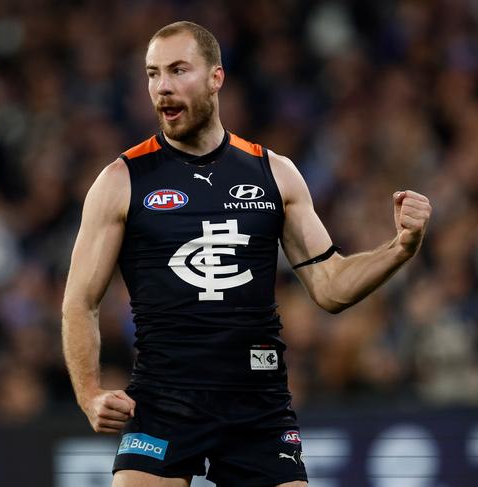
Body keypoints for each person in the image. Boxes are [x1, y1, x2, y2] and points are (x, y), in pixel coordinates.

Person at [61, 21, 431, 487]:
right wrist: (89, 393)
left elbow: (331, 286)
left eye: (178, 70)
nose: (163, 88)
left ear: (217, 77)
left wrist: (401, 248)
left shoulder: (274, 173)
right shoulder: (121, 181)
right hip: (164, 400)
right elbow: (80, 301)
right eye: (153, 74)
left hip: (258, 404)